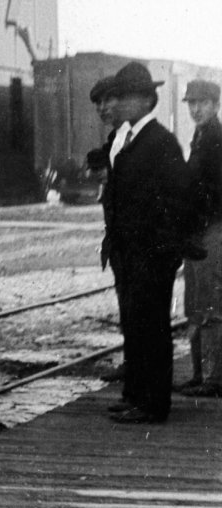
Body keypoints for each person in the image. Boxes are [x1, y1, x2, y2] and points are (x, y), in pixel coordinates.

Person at [87, 60, 200, 424]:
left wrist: (166, 248)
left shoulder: (160, 141)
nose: (116, 104)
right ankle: (135, 395)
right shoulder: (129, 140)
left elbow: (182, 199)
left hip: (151, 255)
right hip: (129, 252)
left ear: (144, 101)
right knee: (135, 325)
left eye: (124, 97)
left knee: (152, 328)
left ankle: (153, 404)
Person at [177, 80, 222, 396]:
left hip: (213, 228)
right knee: (195, 302)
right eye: (191, 103)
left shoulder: (217, 139)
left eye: (202, 103)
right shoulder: (200, 136)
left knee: (212, 304)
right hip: (197, 230)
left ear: (216, 105)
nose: (195, 109)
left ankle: (214, 378)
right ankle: (198, 374)